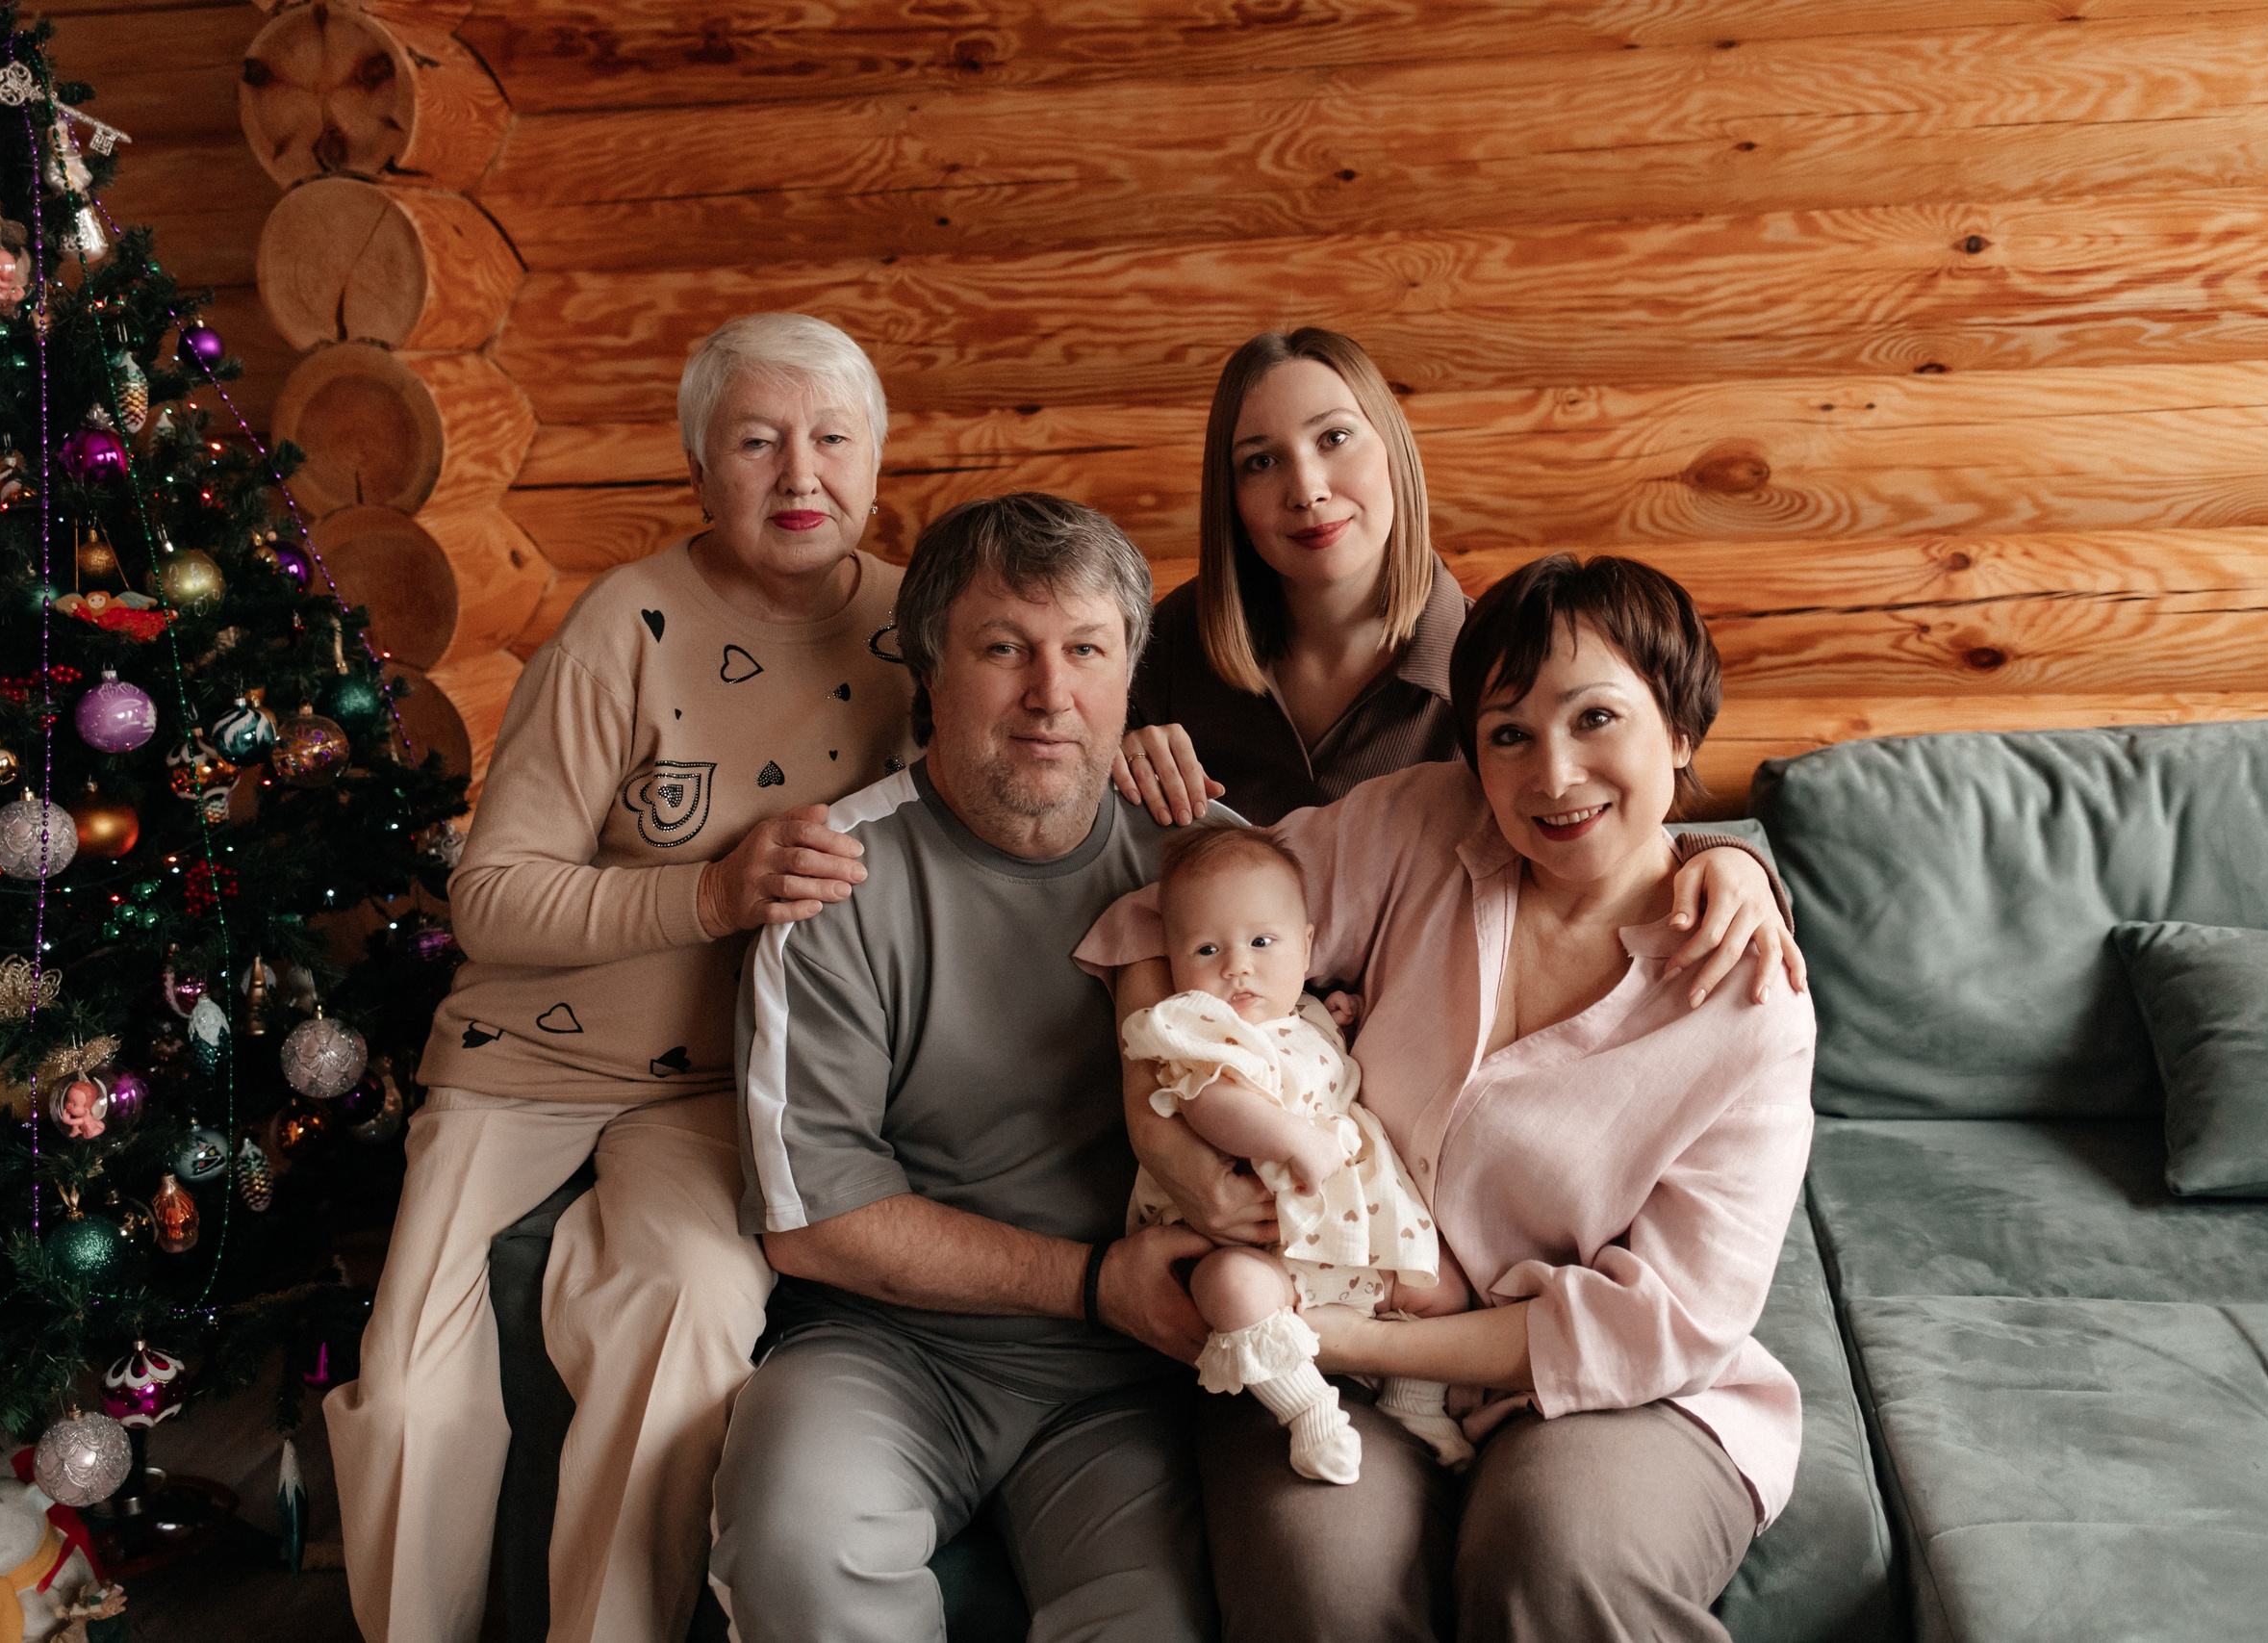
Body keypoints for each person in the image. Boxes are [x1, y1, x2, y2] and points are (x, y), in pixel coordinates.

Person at [709, 495, 1791, 1642]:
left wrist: (1724, 856)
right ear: (928, 668)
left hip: (1208, 1361)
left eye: (1086, 651)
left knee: (1480, 1568)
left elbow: (1660, 1319)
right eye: (1000, 650)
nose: (1049, 693)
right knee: (809, 1547)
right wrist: (1152, 1129)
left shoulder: (1195, 839)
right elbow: (816, 1213)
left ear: (1133, 674)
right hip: (959, 1343)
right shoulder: (839, 885)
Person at [1083, 552, 1819, 1643]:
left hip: (1609, 1390)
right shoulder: (1415, 831)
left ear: (1677, 731)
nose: (1552, 774)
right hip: (1328, 1335)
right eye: (1508, 732)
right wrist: (1163, 1127)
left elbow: (1656, 1329)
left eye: (1595, 719)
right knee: (1320, 1581)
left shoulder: (1748, 1001)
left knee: (1557, 1559)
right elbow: (1162, 920)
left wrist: (1338, 1334)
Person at [323, 313, 916, 1643]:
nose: (799, 475)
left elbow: (1033, 737)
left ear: (877, 462)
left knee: (693, 1313)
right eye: (757, 442)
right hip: (520, 1068)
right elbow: (489, 893)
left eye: (832, 439)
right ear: (701, 468)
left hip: (725, 1083)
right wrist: (709, 891)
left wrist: (1143, 739)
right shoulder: (626, 623)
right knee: (413, 1398)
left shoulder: (914, 629)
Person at [1121, 825, 1467, 1486]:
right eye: (1206, 948)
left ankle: (1413, 1402)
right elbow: (1208, 1103)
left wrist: (1341, 1020)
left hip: (1358, 1234)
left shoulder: (1307, 1012)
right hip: (1265, 1247)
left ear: (1307, 945)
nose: (1237, 966)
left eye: (1261, 941)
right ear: (1173, 962)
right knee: (1228, 1289)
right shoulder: (1201, 1026)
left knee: (1443, 1283)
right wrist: (1291, 1139)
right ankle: (1309, 1409)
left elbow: (1326, 1067)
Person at [1115, 326, 1466, 827]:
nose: (1306, 490)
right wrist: (1106, 758)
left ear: (1394, 449)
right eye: (1261, 462)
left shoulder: (1489, 665)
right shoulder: (1170, 641)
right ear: (1231, 497)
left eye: (1334, 438)